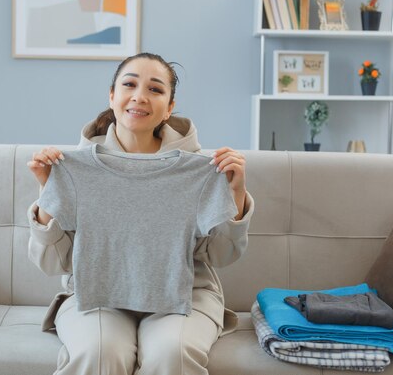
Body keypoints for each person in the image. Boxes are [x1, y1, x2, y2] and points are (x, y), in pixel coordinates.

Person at [27, 52, 254, 375]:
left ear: (170, 106)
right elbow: (51, 263)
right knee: (99, 352)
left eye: (155, 89)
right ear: (112, 95)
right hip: (98, 295)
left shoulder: (199, 170)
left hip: (183, 296)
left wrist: (236, 195)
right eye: (130, 84)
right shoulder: (75, 167)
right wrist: (50, 193)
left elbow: (220, 255)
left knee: (171, 354)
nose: (139, 96)